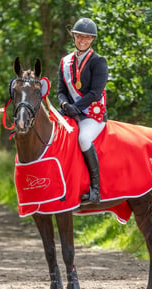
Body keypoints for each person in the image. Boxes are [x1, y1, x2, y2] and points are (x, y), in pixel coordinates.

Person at [57, 17, 108, 205]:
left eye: (87, 38)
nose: (83, 41)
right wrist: (64, 106)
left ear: (92, 40)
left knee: (84, 139)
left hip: (92, 113)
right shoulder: (65, 62)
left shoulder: (98, 62)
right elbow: (61, 91)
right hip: (70, 111)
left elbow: (95, 93)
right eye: (80, 37)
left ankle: (95, 190)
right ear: (74, 37)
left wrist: (75, 107)